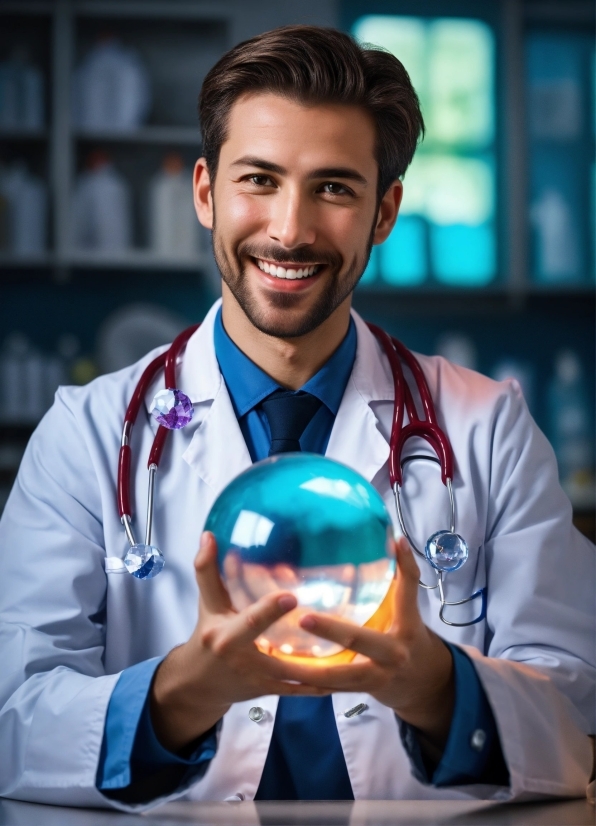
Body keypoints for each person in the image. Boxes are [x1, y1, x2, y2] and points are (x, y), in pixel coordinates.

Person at [0, 25, 593, 812]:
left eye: (335, 188)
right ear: (206, 192)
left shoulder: (488, 428)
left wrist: (432, 685)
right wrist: (184, 692)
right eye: (260, 180)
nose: (290, 229)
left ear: (385, 212)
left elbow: (577, 715)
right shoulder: (88, 434)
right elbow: (14, 718)